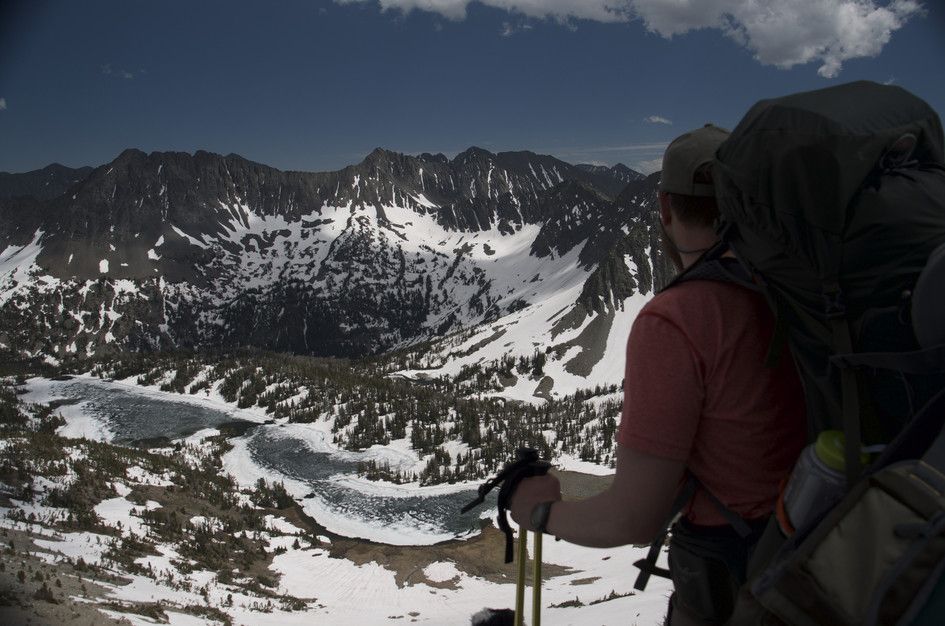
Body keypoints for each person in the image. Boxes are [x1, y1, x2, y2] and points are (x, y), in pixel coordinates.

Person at [509, 124, 807, 625]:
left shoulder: (677, 320)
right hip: (829, 541)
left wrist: (534, 513)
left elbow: (634, 518)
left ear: (665, 209)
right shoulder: (802, 290)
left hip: (737, 569)